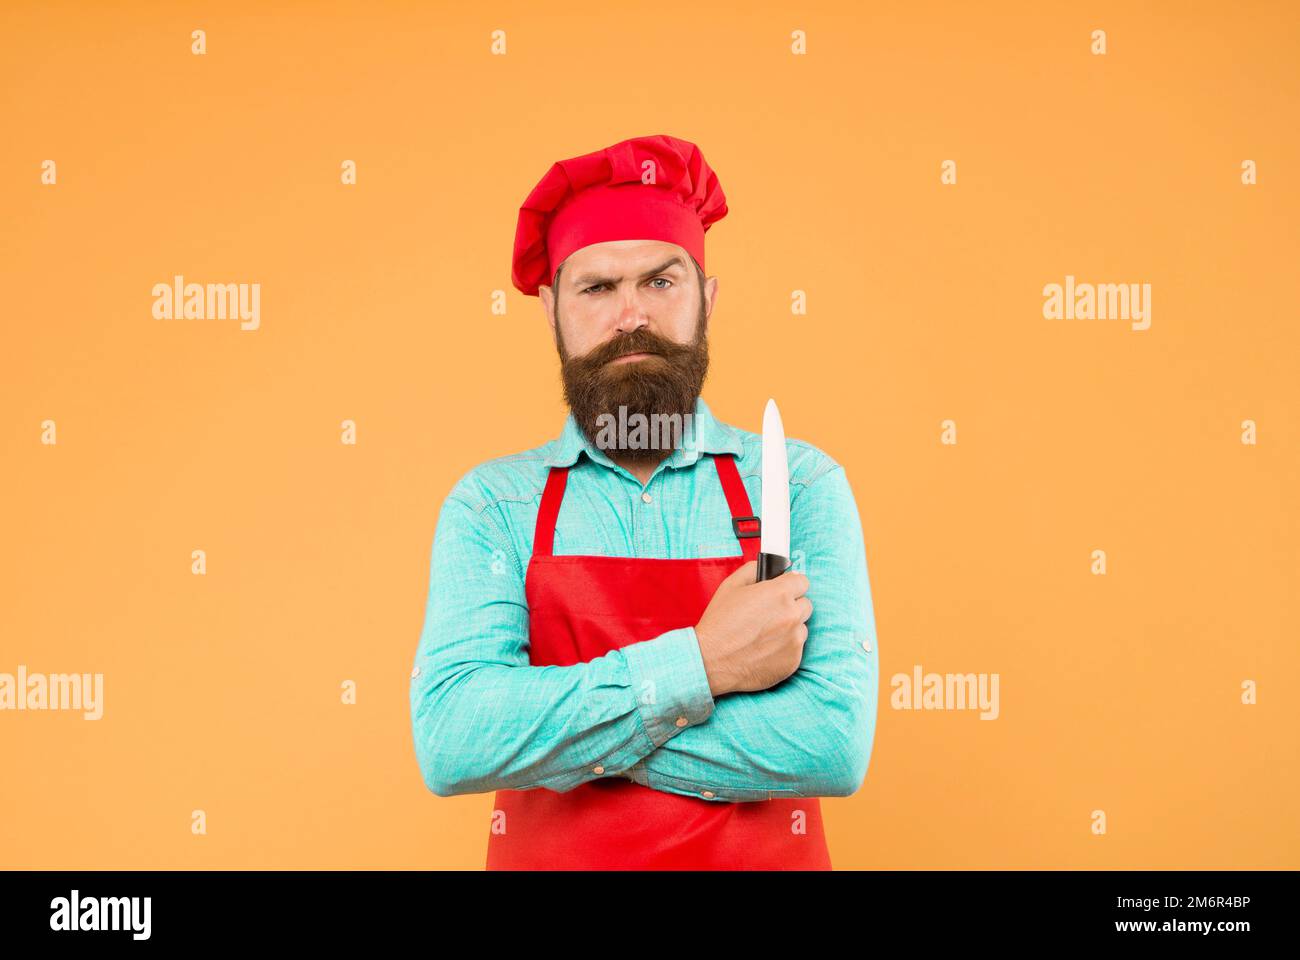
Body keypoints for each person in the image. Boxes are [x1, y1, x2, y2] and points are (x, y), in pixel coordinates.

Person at [409, 134, 879, 870]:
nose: (631, 316)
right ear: (550, 311)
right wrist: (707, 662)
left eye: (661, 282)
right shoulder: (491, 506)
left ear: (708, 299)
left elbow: (831, 742)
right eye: (597, 288)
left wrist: (565, 744)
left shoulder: (798, 485)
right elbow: (456, 739)